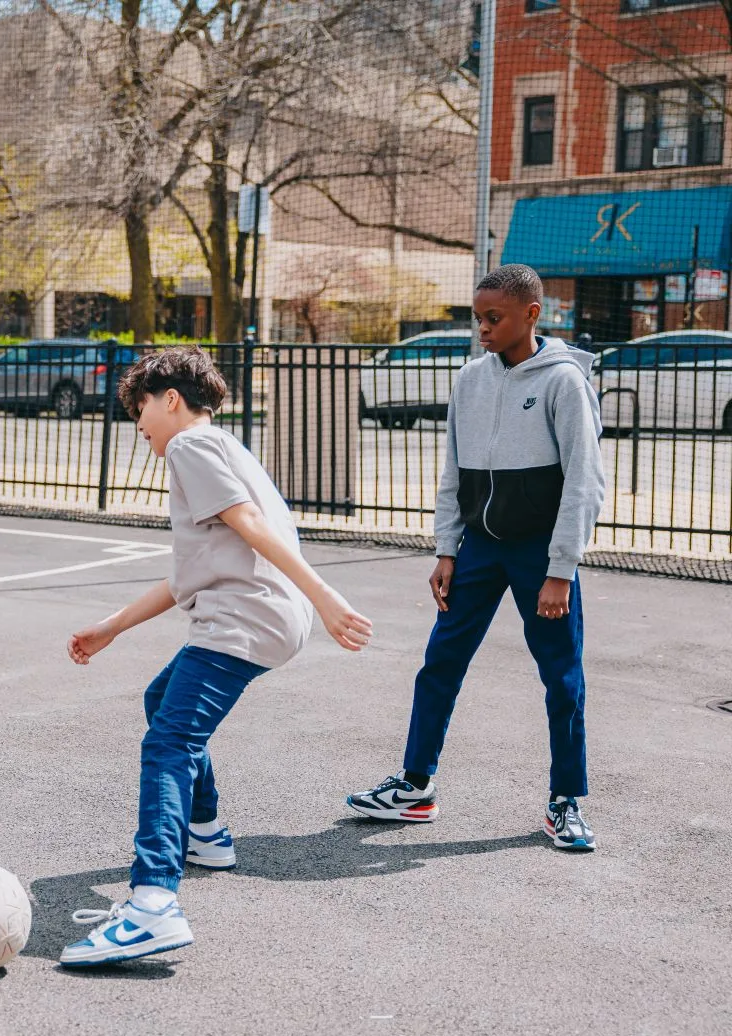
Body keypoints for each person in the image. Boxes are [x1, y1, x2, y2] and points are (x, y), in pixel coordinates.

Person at [59, 347, 372, 967]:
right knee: (162, 703)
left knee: (169, 743)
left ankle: (153, 904)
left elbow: (254, 524)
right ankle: (205, 835)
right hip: (263, 615)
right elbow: (189, 578)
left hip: (245, 619)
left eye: (140, 409)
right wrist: (113, 627)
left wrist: (327, 594)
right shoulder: (224, 447)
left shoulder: (189, 448)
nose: (139, 424)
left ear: (169, 399)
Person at [347, 263, 605, 850]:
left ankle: (565, 801)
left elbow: (584, 483)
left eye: (495, 318)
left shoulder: (564, 382)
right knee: (440, 663)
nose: (483, 329)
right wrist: (446, 550)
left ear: (531, 315)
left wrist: (560, 570)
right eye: (477, 318)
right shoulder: (469, 380)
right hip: (479, 551)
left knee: (562, 679)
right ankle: (415, 786)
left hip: (540, 555)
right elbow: (453, 473)